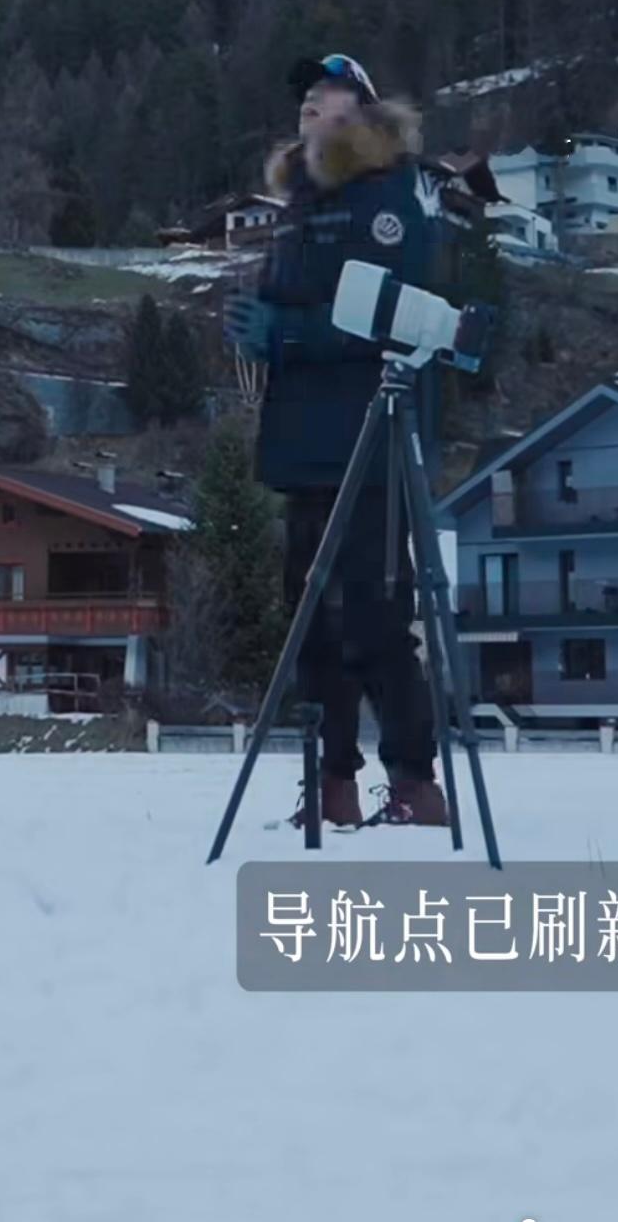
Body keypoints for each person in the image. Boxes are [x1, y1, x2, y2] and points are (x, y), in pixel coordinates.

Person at [223, 52, 449, 830]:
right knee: (310, 623)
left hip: (371, 434)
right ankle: (329, 782)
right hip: (301, 439)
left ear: (365, 114)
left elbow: (396, 312)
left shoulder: (391, 192)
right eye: (307, 104)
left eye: (332, 100)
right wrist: (257, 330)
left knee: (375, 615)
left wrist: (288, 332)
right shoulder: (298, 204)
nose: (314, 112)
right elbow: (293, 301)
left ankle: (415, 783)